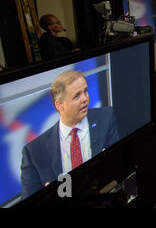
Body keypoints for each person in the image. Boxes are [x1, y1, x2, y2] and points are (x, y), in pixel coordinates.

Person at [20, 70, 120, 199]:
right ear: (59, 105)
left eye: (85, 91)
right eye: (77, 96)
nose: (85, 98)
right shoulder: (34, 151)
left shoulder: (105, 118)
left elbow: (121, 168)